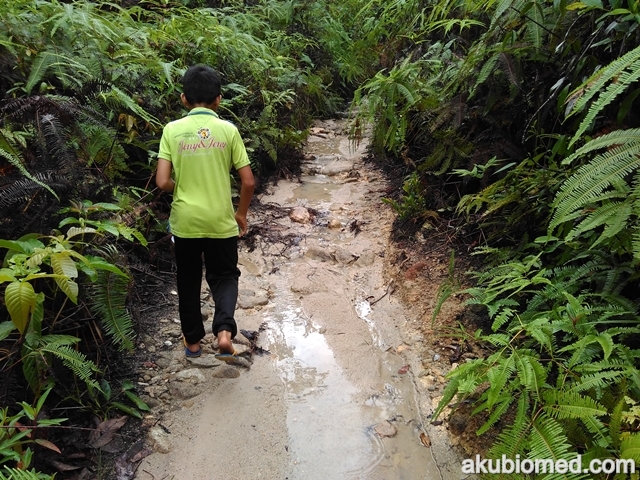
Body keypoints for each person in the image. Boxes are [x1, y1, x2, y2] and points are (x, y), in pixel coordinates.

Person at [156, 64, 255, 361]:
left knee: (187, 279)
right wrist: (240, 214)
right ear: (219, 100)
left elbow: (162, 181)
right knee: (224, 276)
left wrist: (183, 186)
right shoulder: (228, 130)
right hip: (220, 220)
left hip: (185, 222)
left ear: (184, 99)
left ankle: (194, 344)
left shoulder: (172, 130)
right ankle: (224, 332)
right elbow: (248, 181)